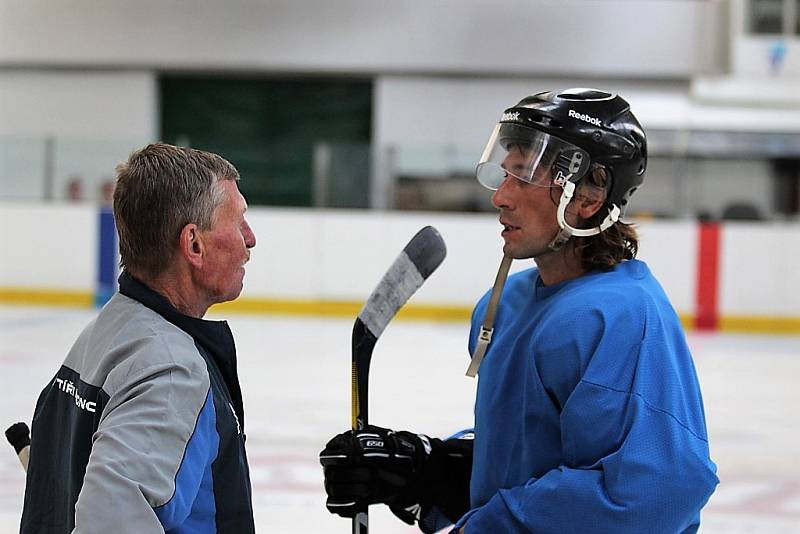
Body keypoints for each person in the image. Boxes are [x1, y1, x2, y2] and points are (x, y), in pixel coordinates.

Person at [320, 88, 719, 533]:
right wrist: (428, 470)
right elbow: (527, 460)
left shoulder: (620, 319)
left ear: (588, 196)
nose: (500, 198)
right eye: (504, 174)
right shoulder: (503, 307)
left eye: (523, 177)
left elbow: (654, 495)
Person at [20, 143, 257, 533]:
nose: (250, 239)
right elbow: (109, 517)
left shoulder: (106, 333)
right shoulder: (170, 371)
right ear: (194, 245)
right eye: (238, 221)